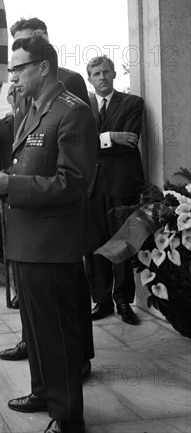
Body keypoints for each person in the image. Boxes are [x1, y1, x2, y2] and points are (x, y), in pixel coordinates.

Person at [0, 35, 97, 433]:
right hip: (26, 240)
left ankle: (67, 417)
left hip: (52, 244)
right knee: (35, 331)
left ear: (43, 67)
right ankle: (43, 391)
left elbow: (73, 182)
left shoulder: (72, 112)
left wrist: (10, 186)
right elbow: (26, 164)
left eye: (18, 67)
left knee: (57, 334)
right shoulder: (32, 110)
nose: (12, 75)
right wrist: (1, 179)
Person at [85, 55, 144, 325]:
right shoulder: (82, 108)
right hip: (92, 186)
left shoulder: (133, 103)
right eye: (96, 73)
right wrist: (110, 137)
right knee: (95, 244)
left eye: (106, 72)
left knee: (122, 244)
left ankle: (123, 302)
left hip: (122, 185)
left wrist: (107, 140)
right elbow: (78, 143)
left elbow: (130, 141)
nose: (102, 77)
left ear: (114, 74)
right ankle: (102, 300)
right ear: (90, 79)